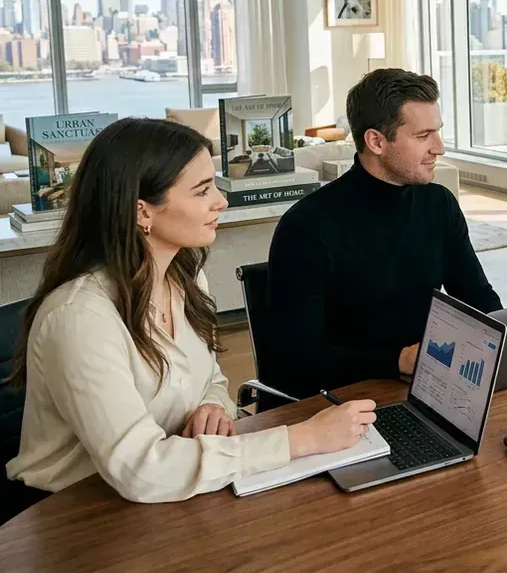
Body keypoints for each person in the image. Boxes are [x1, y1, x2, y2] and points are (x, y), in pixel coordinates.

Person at [3, 119, 376, 517]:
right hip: (71, 513)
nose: (221, 201)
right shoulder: (79, 317)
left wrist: (212, 406)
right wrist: (301, 439)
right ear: (141, 211)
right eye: (202, 191)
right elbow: (138, 469)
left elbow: (209, 378)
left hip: (164, 496)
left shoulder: (186, 275)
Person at [265, 69, 502, 399]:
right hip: (341, 402)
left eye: (438, 132)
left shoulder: (438, 203)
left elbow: (478, 298)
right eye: (423, 136)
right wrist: (397, 360)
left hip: (428, 384)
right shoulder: (307, 227)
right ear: (376, 141)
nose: (440, 148)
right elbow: (294, 359)